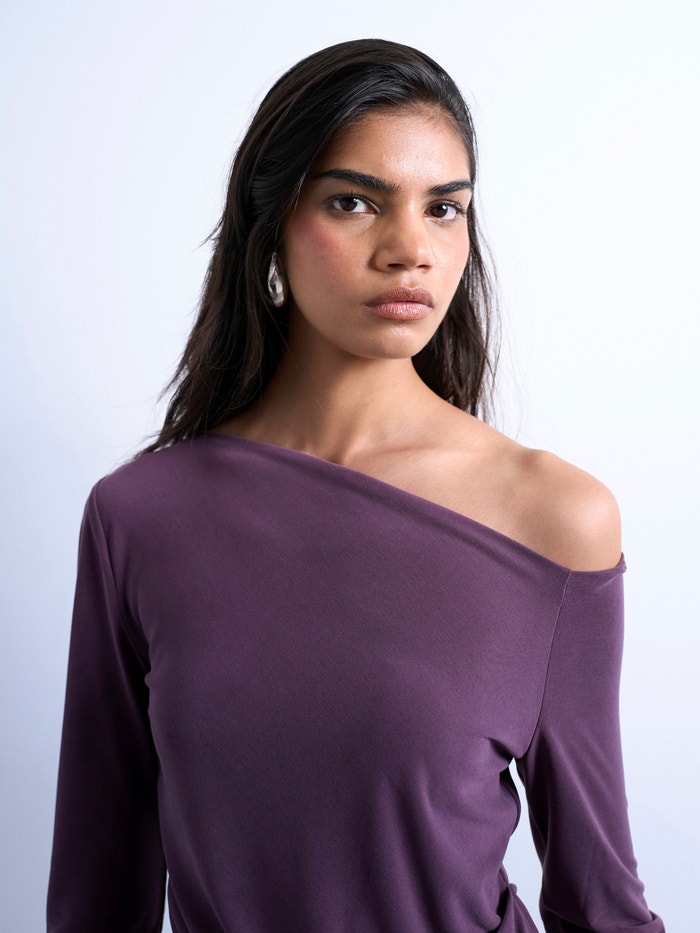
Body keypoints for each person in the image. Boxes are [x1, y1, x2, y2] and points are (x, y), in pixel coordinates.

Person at [47, 38, 665, 933]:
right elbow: (96, 896)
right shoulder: (140, 517)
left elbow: (600, 902)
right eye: (354, 202)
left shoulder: (553, 516)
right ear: (271, 225)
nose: (410, 249)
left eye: (443, 209)